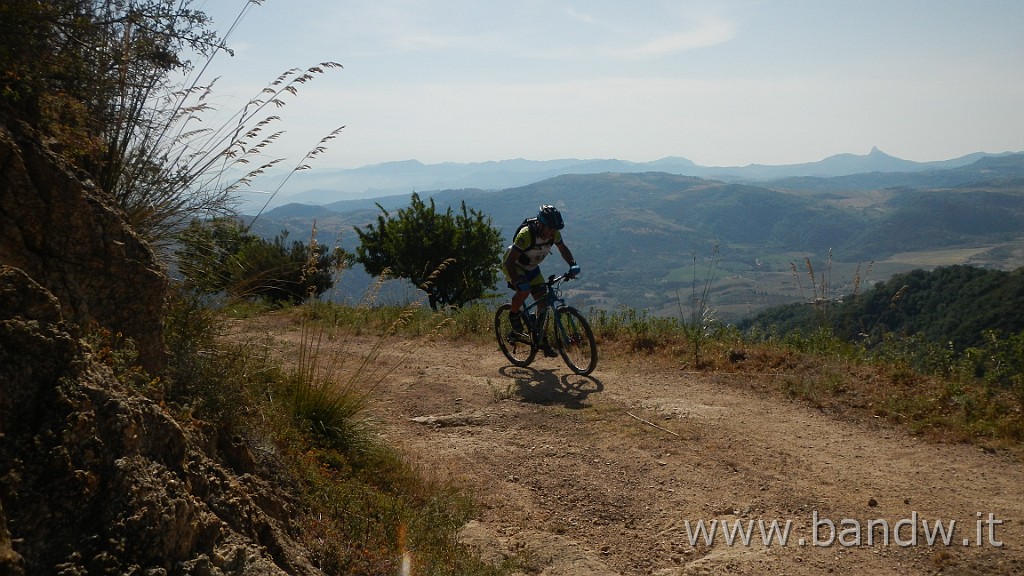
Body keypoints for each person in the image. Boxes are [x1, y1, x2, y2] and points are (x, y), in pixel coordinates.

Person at [502, 204, 581, 356]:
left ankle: (541, 340)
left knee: (543, 304)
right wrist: (518, 281)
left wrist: (572, 264)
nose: (553, 232)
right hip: (514, 266)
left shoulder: (554, 234)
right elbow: (509, 262)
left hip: (532, 268)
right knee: (524, 290)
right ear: (540, 224)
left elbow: (563, 248)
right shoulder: (526, 235)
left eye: (555, 229)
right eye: (550, 228)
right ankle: (513, 314)